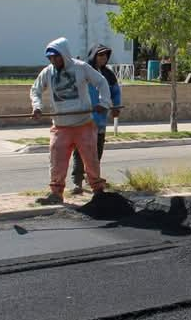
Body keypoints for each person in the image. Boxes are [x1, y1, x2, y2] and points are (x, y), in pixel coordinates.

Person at [29, 37, 111, 205]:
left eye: (55, 57)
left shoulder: (81, 68)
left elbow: (101, 82)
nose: (53, 60)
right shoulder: (48, 72)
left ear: (64, 55)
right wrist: (37, 106)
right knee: (56, 160)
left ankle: (98, 191)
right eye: (50, 58)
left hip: (84, 124)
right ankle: (56, 194)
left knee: (91, 160)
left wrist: (104, 103)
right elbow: (35, 90)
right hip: (61, 126)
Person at [70, 44, 122, 195]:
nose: (103, 58)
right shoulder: (84, 71)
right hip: (84, 120)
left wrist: (116, 106)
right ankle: (76, 182)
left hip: (100, 121)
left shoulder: (108, 74)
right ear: (93, 56)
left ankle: (92, 178)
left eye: (106, 55)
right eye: (100, 55)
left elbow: (115, 92)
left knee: (97, 152)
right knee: (80, 152)